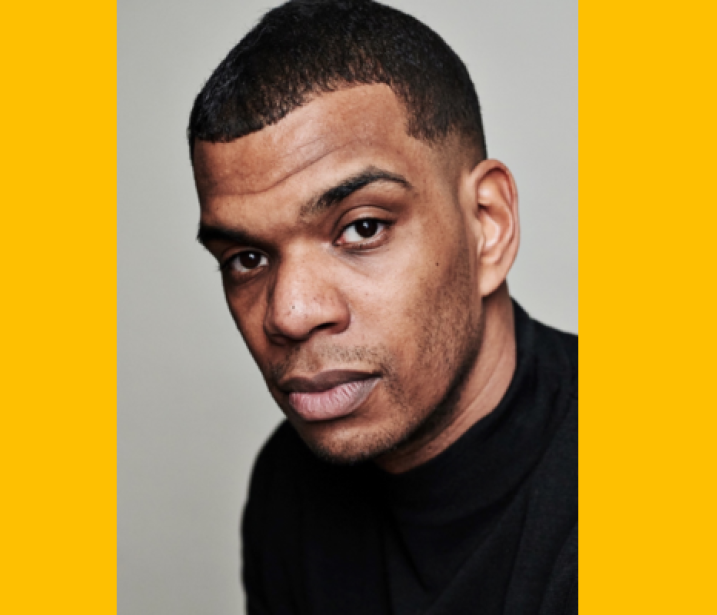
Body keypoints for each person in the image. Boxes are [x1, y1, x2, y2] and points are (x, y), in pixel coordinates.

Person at [187, 1, 576, 613]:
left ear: (487, 226)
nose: (289, 313)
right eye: (247, 258)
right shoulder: (289, 482)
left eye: (362, 228)